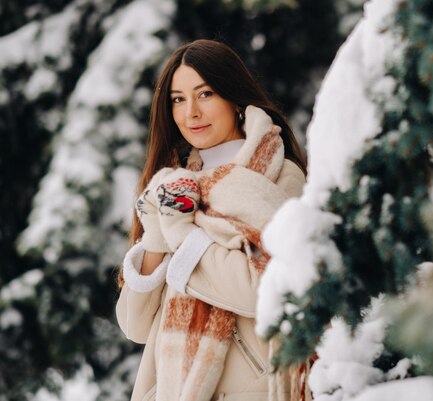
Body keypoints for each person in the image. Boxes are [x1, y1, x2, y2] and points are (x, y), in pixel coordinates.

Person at [115, 39, 308, 401]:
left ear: (234, 98)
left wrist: (181, 233)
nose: (191, 113)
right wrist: (157, 233)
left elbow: (264, 293)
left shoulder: (281, 178)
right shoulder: (172, 186)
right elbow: (135, 325)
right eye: (178, 99)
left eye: (205, 94)